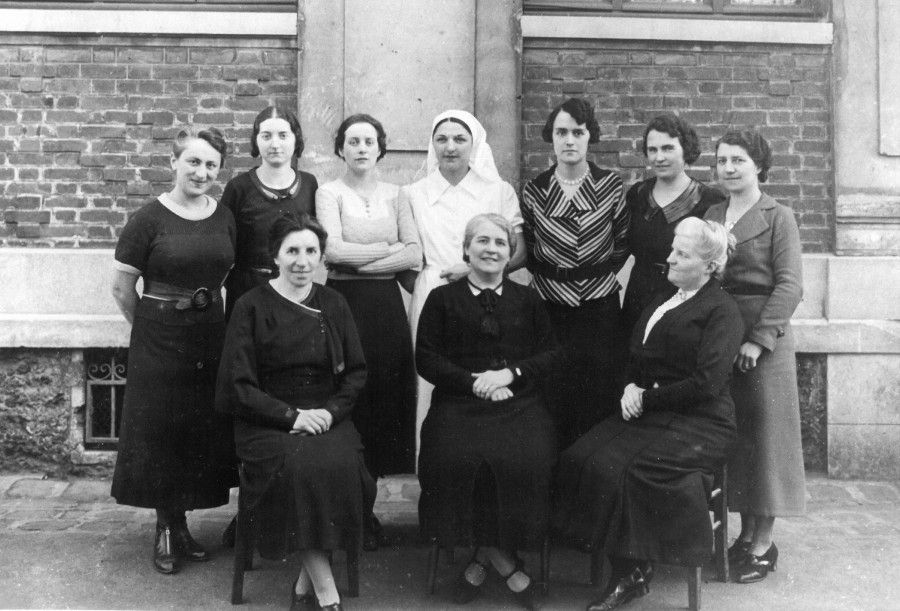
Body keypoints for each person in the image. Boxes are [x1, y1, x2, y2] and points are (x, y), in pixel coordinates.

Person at [554, 218, 743, 610]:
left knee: (625, 469)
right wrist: (628, 387)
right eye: (673, 249)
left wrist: (645, 398)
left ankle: (629, 574)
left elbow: (706, 384)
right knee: (580, 457)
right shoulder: (662, 298)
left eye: (682, 254)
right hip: (652, 411)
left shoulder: (722, 311)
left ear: (709, 266)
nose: (669, 258)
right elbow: (635, 356)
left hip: (701, 422)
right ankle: (627, 565)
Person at [215, 212, 373, 611]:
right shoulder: (251, 306)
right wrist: (291, 416)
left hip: (325, 415)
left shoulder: (334, 303)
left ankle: (304, 587)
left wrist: (330, 412)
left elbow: (355, 372)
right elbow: (238, 384)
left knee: (346, 470)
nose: (302, 261)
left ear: (321, 256)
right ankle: (326, 593)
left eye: (311, 251)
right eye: (292, 251)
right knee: (297, 471)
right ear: (276, 255)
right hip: (266, 420)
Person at [416, 214, 559, 610]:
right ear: (466, 249)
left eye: (500, 243)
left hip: (519, 404)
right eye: (482, 241)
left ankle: (481, 560)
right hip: (460, 403)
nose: (491, 249)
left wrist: (509, 375)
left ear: (509, 254)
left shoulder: (529, 299)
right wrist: (473, 382)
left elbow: (550, 354)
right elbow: (425, 357)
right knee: (452, 458)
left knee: (527, 459)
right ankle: (504, 562)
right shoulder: (442, 299)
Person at [110, 127, 236, 575]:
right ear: (174, 163)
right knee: (161, 429)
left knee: (196, 429)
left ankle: (183, 526)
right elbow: (123, 289)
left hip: (209, 335)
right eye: (193, 162)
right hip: (160, 338)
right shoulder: (148, 219)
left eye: (210, 166)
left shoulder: (223, 216)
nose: (201, 172)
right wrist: (150, 328)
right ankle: (165, 527)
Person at [315, 113, 421, 550]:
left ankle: (368, 511)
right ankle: (346, 510)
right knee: (347, 398)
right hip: (343, 306)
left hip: (385, 311)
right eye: (352, 141)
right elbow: (332, 250)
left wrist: (366, 259)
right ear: (341, 148)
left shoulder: (398, 195)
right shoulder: (329, 193)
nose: (361, 148)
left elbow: (414, 253)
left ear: (381, 148)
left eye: (369, 141)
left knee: (382, 401)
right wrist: (387, 251)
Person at [704, 128, 805, 584]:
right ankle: (743, 538)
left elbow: (790, 285)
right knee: (738, 441)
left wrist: (758, 339)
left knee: (766, 442)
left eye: (738, 160)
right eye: (723, 160)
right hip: (723, 335)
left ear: (759, 166)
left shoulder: (779, 216)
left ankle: (764, 544)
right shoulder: (713, 213)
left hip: (765, 342)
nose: (728, 168)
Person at [405, 109, 525, 448]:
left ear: (475, 144)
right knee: (430, 380)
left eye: (460, 138)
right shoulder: (415, 192)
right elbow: (410, 257)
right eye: (441, 139)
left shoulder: (498, 190)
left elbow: (519, 251)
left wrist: (473, 273)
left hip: (488, 294)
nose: (451, 147)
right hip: (433, 293)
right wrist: (430, 286)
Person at [521, 97, 630, 448]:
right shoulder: (535, 191)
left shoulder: (611, 186)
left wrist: (589, 275)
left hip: (599, 305)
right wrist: (558, 278)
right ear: (551, 137)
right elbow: (530, 245)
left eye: (578, 132)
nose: (569, 140)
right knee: (551, 386)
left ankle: (592, 473)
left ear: (589, 137)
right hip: (549, 304)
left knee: (598, 388)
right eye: (561, 132)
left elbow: (622, 244)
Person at [621, 113, 726, 337]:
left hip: (684, 299)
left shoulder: (709, 201)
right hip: (637, 297)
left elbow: (716, 264)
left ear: (685, 149)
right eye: (653, 150)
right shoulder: (638, 195)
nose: (659, 157)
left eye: (668, 148)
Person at [221, 105, 318, 320]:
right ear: (256, 140)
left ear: (296, 139)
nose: (275, 144)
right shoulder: (238, 188)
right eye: (266, 136)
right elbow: (224, 246)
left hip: (297, 290)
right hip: (248, 294)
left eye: (283, 135)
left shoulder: (310, 184)